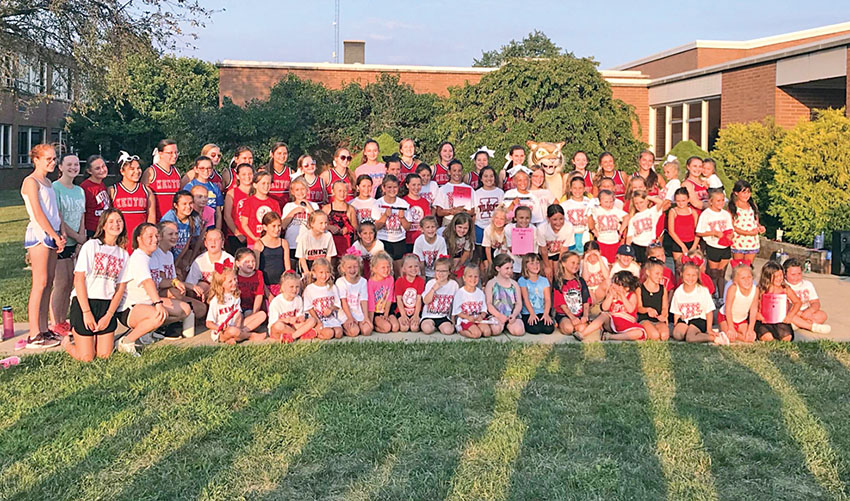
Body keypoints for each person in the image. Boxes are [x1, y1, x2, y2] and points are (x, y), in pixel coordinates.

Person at [117, 223, 192, 356]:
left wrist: (175, 282)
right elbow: (147, 282)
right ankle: (126, 341)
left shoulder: (153, 256)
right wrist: (158, 303)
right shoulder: (139, 257)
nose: (155, 239)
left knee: (185, 309)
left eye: (156, 236)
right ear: (139, 239)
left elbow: (158, 281)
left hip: (148, 303)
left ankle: (147, 331)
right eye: (150, 236)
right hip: (130, 307)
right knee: (158, 315)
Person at [62, 209, 128, 360]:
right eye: (111, 221)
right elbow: (79, 279)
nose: (116, 224)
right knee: (87, 357)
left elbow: (120, 288)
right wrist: (86, 312)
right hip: (85, 302)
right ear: (103, 225)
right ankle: (67, 343)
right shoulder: (91, 245)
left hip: (106, 305)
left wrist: (109, 315)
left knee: (104, 355)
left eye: (119, 221)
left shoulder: (123, 254)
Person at [21, 144, 66, 348]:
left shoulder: (48, 182)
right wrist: (54, 236)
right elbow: (38, 214)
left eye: (54, 158)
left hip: (53, 234)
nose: (52, 162)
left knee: (48, 283)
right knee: (39, 283)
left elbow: (55, 211)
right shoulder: (31, 182)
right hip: (40, 235)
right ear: (36, 160)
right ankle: (34, 333)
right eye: (48, 159)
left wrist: (61, 232)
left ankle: (44, 328)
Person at [50, 153, 86, 336]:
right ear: (61, 167)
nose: (73, 167)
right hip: (61, 241)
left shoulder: (79, 190)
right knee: (60, 283)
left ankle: (63, 320)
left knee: (70, 282)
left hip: (76, 242)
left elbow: (82, 216)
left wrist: (81, 239)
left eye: (76, 164)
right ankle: (55, 322)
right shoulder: (55, 188)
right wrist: (76, 237)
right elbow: (59, 218)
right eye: (69, 164)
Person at [154, 220, 207, 321]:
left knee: (201, 309)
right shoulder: (156, 253)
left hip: (171, 292)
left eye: (176, 233)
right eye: (170, 234)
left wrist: (191, 286)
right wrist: (180, 284)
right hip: (157, 295)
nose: (175, 237)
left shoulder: (169, 255)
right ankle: (164, 321)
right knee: (177, 292)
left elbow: (174, 280)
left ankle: (177, 319)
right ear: (160, 236)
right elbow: (161, 283)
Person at [109, 152, 155, 254]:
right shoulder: (113, 190)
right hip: (120, 241)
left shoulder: (146, 191)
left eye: (138, 168)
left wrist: (148, 239)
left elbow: (151, 218)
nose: (137, 171)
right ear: (122, 171)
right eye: (132, 169)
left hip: (140, 241)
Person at [206, 266, 265, 344]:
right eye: (230, 281)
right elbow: (208, 323)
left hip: (235, 325)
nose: (234, 282)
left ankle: (239, 335)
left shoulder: (235, 295)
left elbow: (238, 314)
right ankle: (249, 336)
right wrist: (219, 328)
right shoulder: (215, 300)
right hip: (222, 331)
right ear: (221, 284)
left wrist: (238, 326)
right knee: (233, 331)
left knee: (262, 315)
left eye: (235, 279)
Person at [670, 263, 727, 344]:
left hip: (699, 319)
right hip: (685, 319)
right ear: (682, 274)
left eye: (694, 275)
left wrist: (709, 329)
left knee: (690, 338)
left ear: (698, 276)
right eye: (688, 275)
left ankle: (714, 338)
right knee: (678, 335)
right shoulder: (678, 291)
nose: (690, 278)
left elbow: (709, 311)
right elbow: (676, 312)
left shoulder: (703, 291)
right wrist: (676, 325)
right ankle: (697, 335)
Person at [583, 271, 646, 341]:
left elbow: (630, 309)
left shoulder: (631, 295)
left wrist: (622, 296)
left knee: (639, 333)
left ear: (626, 288)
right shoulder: (612, 295)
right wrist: (610, 296)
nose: (614, 285)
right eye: (613, 283)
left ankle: (611, 337)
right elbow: (604, 308)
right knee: (603, 315)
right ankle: (583, 333)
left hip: (627, 323)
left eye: (617, 284)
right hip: (613, 321)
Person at [696, 189, 733, 297]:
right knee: (713, 273)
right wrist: (714, 233)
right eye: (718, 201)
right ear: (711, 201)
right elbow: (699, 232)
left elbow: (730, 229)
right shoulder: (706, 214)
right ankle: (711, 294)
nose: (721, 203)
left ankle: (721, 296)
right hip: (713, 246)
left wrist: (730, 235)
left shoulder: (725, 214)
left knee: (722, 273)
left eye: (722, 200)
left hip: (725, 246)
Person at [372, 175, 410, 273]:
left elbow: (407, 227)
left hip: (399, 240)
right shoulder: (377, 204)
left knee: (399, 271)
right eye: (389, 187)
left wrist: (402, 218)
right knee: (384, 269)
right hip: (383, 240)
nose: (392, 190)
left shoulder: (403, 204)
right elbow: (375, 227)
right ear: (383, 188)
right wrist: (385, 216)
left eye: (395, 187)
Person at [755, 260, 801, 342]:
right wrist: (757, 314)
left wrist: (790, 316)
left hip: (781, 320)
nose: (780, 278)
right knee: (767, 338)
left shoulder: (785, 289)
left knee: (787, 337)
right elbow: (752, 304)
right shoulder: (760, 290)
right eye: (776, 276)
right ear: (768, 277)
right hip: (764, 321)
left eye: (781, 275)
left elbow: (797, 302)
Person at [782, 258, 832, 334]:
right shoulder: (784, 286)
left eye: (799, 274)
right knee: (787, 315)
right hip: (792, 312)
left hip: (806, 311)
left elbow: (815, 302)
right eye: (793, 275)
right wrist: (800, 314)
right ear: (785, 275)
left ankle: (799, 324)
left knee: (822, 315)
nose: (796, 277)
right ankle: (812, 327)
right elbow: (787, 306)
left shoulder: (807, 284)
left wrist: (811, 310)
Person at [160, 190, 203, 276]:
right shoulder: (169, 218)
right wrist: (173, 266)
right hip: (166, 255)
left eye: (190, 203)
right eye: (184, 204)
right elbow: (164, 245)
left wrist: (186, 262)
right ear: (176, 205)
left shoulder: (194, 218)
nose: (188, 206)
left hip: (181, 254)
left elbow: (187, 244)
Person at [269, 271, 318, 343]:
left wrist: (300, 318)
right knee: (279, 326)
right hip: (281, 328)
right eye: (291, 287)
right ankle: (301, 335)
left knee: (312, 320)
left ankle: (293, 336)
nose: (295, 290)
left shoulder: (298, 299)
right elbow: (273, 323)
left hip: (293, 326)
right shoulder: (276, 302)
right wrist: (287, 320)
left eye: (297, 287)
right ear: (283, 288)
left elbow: (300, 315)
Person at [281, 176, 319, 268]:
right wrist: (293, 212)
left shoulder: (314, 205)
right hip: (292, 244)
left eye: (302, 189)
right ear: (292, 192)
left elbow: (318, 222)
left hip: (309, 245)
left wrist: (308, 206)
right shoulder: (288, 206)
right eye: (297, 190)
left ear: (307, 190)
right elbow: (283, 225)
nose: (300, 192)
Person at [301, 257, 343, 339]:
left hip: (331, 318)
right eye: (321, 272)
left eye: (327, 272)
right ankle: (315, 332)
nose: (324, 276)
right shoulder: (309, 289)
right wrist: (318, 321)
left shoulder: (332, 287)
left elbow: (337, 304)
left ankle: (323, 332)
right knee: (329, 333)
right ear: (314, 273)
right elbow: (309, 308)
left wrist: (331, 308)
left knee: (338, 333)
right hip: (318, 319)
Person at [185, 228, 234, 298]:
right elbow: (190, 283)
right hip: (204, 296)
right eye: (210, 239)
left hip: (224, 295)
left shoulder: (230, 260)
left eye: (217, 239)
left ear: (222, 243)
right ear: (205, 243)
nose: (213, 242)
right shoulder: (199, 261)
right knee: (202, 286)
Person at [484, 254, 524, 336]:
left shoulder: (514, 284)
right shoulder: (491, 283)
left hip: (511, 315)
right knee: (495, 330)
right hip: (496, 315)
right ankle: (501, 326)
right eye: (507, 268)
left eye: (511, 268)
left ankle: (509, 325)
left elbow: (518, 303)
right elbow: (489, 303)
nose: (510, 271)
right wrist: (499, 316)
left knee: (519, 331)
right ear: (497, 268)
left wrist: (514, 315)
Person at [552, 252, 591, 338]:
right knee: (568, 328)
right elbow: (561, 303)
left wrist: (585, 315)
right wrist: (572, 317)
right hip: (564, 315)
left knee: (581, 328)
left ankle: (577, 329)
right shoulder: (558, 282)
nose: (575, 265)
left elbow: (586, 300)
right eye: (573, 263)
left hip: (578, 314)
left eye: (577, 263)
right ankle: (569, 328)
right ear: (563, 264)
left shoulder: (580, 281)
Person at [453, 266, 498, 338]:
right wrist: (467, 317)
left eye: (476, 276)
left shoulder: (480, 293)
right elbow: (457, 311)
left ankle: (477, 328)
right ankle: (461, 331)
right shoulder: (460, 293)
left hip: (478, 319)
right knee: (476, 334)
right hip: (465, 319)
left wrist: (481, 316)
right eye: (470, 276)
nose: (473, 279)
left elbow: (484, 310)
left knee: (487, 333)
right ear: (464, 278)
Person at [254, 212, 291, 297]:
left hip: (281, 286)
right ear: (265, 227)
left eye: (279, 226)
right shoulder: (259, 244)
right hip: (265, 286)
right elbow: (257, 271)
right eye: (273, 226)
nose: (277, 229)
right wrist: (267, 293)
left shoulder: (284, 243)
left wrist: (284, 287)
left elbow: (288, 269)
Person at [240, 171, 281, 248]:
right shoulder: (248, 202)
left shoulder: (274, 203)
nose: (266, 186)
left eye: (268, 183)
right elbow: (244, 224)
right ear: (255, 185)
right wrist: (254, 238)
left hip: (271, 243)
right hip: (254, 243)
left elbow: (278, 223)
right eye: (263, 183)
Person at [143, 139, 181, 220]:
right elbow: (143, 196)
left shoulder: (177, 172)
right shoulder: (151, 171)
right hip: (158, 219)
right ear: (160, 154)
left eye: (176, 152)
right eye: (170, 153)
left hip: (174, 220)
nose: (174, 156)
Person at [335, 253, 372, 337]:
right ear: (343, 269)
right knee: (354, 332)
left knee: (367, 331)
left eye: (355, 267)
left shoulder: (363, 281)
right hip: (346, 314)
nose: (352, 270)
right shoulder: (340, 282)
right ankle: (343, 327)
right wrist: (350, 318)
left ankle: (358, 325)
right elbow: (343, 302)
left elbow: (364, 300)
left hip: (358, 313)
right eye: (349, 267)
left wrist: (366, 317)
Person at [719, 263, 758, 343]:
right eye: (743, 278)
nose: (747, 280)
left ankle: (736, 332)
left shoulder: (755, 290)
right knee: (731, 337)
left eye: (749, 277)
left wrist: (751, 328)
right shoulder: (733, 289)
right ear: (735, 281)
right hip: (725, 317)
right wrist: (731, 327)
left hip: (741, 319)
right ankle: (722, 331)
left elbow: (753, 309)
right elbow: (728, 309)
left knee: (750, 338)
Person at [626, 190, 668, 263]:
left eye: (641, 202)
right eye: (636, 203)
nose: (639, 205)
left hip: (649, 245)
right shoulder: (633, 218)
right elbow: (629, 237)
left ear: (647, 201)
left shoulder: (652, 211)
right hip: (637, 245)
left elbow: (660, 202)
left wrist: (647, 197)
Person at [537, 204, 575, 284]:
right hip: (545, 254)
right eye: (554, 219)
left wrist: (560, 266)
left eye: (561, 219)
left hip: (559, 253)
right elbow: (543, 250)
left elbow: (564, 248)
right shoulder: (542, 228)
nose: (558, 222)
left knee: (559, 275)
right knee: (548, 276)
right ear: (548, 219)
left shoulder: (569, 227)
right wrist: (547, 267)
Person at [729, 180, 764, 265]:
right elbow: (732, 226)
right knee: (738, 266)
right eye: (744, 192)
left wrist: (760, 227)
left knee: (748, 266)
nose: (746, 195)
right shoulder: (732, 207)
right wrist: (748, 233)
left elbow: (756, 221)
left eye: (748, 192)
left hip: (752, 242)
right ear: (736, 193)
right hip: (738, 241)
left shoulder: (752, 205)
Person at [588, 189, 629, 264]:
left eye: (611, 202)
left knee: (614, 262)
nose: (608, 204)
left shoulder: (615, 210)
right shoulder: (596, 210)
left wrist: (620, 232)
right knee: (603, 262)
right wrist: (594, 230)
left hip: (614, 241)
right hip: (601, 241)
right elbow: (589, 220)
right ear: (600, 201)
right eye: (606, 202)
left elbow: (626, 217)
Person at [420, 256, 458, 335]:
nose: (441, 273)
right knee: (427, 329)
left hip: (443, 316)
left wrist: (453, 319)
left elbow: (455, 304)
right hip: (429, 315)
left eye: (444, 271)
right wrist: (433, 289)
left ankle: (440, 327)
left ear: (449, 272)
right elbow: (426, 301)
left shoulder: (453, 285)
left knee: (448, 331)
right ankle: (433, 326)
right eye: (438, 271)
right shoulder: (431, 283)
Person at [518, 254, 554, 335]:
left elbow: (547, 299)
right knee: (535, 329)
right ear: (526, 266)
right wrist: (532, 314)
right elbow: (526, 299)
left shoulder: (544, 280)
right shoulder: (522, 280)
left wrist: (546, 314)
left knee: (549, 329)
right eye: (532, 263)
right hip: (528, 312)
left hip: (541, 311)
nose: (535, 265)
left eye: (537, 263)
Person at [184, 155, 224, 229]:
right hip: (194, 227)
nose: (206, 171)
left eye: (209, 168)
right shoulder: (189, 186)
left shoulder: (214, 187)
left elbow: (218, 213)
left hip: (211, 227)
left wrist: (218, 230)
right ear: (196, 169)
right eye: (202, 168)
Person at [223, 163, 254, 253]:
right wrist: (238, 234)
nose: (247, 177)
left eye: (250, 174)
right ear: (237, 176)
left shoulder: (258, 192)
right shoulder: (232, 193)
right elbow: (227, 216)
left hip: (254, 235)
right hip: (236, 236)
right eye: (243, 174)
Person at [665, 187, 700, 267]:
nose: (681, 203)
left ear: (688, 200)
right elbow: (671, 231)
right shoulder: (673, 212)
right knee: (679, 268)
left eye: (683, 201)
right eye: (678, 201)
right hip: (678, 243)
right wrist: (682, 246)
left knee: (693, 268)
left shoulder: (693, 212)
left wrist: (694, 245)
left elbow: (698, 231)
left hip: (691, 242)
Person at [296, 211, 336, 279]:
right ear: (312, 224)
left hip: (322, 264)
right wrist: (307, 272)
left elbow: (328, 256)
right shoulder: (305, 237)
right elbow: (301, 257)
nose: (324, 226)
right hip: (309, 265)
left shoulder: (328, 235)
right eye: (321, 223)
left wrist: (326, 271)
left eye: (325, 223)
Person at [636, 258, 669, 341]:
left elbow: (665, 307)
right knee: (654, 336)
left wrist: (663, 315)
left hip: (658, 320)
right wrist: (648, 310)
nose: (660, 277)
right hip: (645, 319)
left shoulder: (663, 289)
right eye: (657, 274)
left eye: (661, 274)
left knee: (664, 335)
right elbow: (639, 308)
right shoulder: (640, 289)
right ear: (648, 272)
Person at [322, 180, 357, 259]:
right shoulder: (326, 208)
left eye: (345, 191)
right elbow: (319, 225)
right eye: (339, 191)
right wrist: (330, 227)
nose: (342, 194)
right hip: (331, 244)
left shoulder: (350, 209)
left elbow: (355, 228)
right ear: (333, 191)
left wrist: (348, 229)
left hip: (346, 244)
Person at [435, 160, 475, 227]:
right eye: (454, 170)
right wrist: (452, 211)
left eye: (459, 171)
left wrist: (461, 212)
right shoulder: (443, 189)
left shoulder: (469, 188)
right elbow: (439, 212)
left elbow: (472, 211)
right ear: (449, 172)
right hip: (448, 221)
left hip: (464, 221)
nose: (457, 173)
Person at [474, 166, 504, 251]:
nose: (489, 178)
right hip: (480, 226)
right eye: (485, 176)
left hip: (496, 227)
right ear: (481, 178)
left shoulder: (500, 192)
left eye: (491, 176)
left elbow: (503, 210)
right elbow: (474, 212)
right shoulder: (476, 193)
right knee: (480, 252)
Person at [80, 154, 111, 238]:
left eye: (103, 166)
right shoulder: (86, 187)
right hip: (92, 230)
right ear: (89, 171)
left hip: (103, 227)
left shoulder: (102, 184)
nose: (102, 170)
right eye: (97, 168)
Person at [367, 251, 398, 333]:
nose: (386, 270)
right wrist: (370, 321)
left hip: (387, 309)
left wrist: (386, 314)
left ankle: (384, 321)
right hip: (376, 312)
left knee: (395, 327)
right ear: (374, 269)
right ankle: (375, 326)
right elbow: (371, 303)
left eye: (388, 267)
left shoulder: (390, 279)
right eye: (383, 268)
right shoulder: (371, 282)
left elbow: (389, 298)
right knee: (387, 327)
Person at [393, 254, 425, 332]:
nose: (413, 269)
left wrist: (416, 315)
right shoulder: (399, 281)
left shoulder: (420, 281)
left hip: (415, 310)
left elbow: (419, 299)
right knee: (404, 328)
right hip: (402, 310)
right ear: (404, 269)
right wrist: (403, 315)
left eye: (416, 266)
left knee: (414, 328)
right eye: (410, 267)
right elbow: (399, 300)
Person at [560, 176, 591, 253]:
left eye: (580, 188)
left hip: (585, 236)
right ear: (570, 189)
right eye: (575, 188)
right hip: (570, 237)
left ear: (584, 189)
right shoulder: (564, 205)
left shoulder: (589, 203)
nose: (577, 191)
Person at [402, 173, 430, 252]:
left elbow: (427, 220)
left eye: (419, 185)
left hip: (421, 240)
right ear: (407, 185)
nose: (416, 187)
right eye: (413, 185)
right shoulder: (403, 201)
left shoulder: (425, 202)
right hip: (406, 240)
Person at [444, 212, 474, 280]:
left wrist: (458, 265)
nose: (462, 230)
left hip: (459, 255)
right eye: (460, 227)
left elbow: (466, 252)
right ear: (454, 226)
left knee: (459, 272)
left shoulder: (468, 236)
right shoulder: (446, 234)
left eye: (465, 228)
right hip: (447, 254)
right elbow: (444, 252)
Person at [582, 240, 610, 306]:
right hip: (589, 291)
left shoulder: (603, 259)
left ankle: (603, 304)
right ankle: (593, 305)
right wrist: (585, 262)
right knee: (589, 294)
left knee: (608, 281)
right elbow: (585, 279)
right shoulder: (583, 262)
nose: (592, 259)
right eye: (589, 256)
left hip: (599, 289)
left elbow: (606, 276)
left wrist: (599, 258)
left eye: (594, 255)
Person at [481, 206, 509, 272]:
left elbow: (504, 250)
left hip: (503, 251)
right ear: (493, 218)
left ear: (506, 221)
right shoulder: (488, 229)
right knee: (487, 267)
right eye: (496, 218)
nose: (498, 221)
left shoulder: (507, 230)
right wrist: (490, 263)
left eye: (502, 219)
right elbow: (487, 248)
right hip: (490, 250)